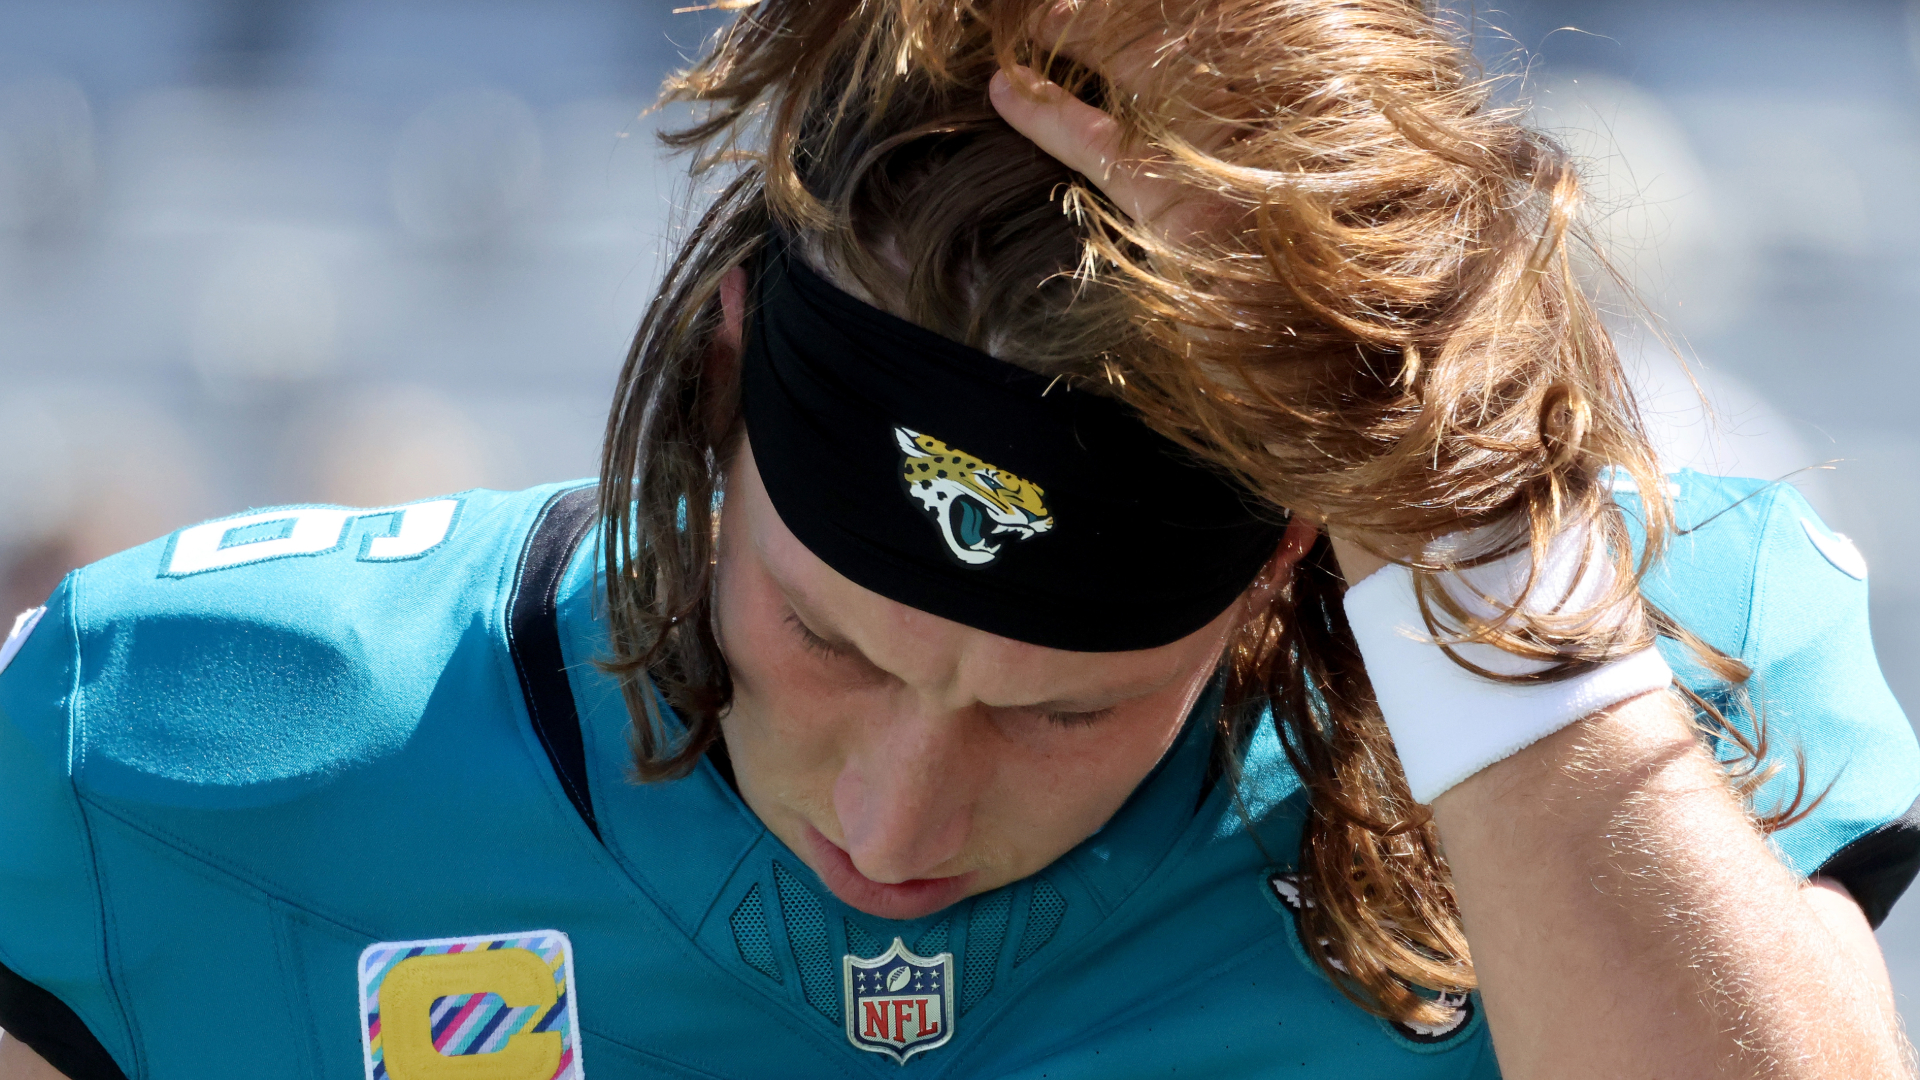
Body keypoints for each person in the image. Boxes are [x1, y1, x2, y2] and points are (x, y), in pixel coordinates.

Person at [2, 1, 1916, 1077]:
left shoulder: (1617, 678)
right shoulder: (172, 739)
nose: (896, 819)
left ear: (1291, 555)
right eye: (828, 642)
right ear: (729, 378)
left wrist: (1471, 549)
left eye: (1060, 711)